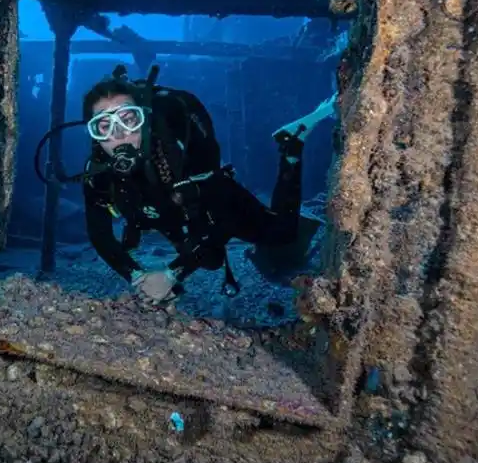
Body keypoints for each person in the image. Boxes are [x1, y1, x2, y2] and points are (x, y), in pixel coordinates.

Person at [75, 65, 335, 305]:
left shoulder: (177, 155)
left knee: (282, 233)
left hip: (208, 197)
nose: (119, 134)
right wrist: (137, 277)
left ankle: (292, 144)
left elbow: (224, 221)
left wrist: (171, 274)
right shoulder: (97, 174)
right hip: (167, 211)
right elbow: (100, 235)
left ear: (144, 117)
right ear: (94, 135)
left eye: (129, 119)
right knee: (207, 258)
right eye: (104, 126)